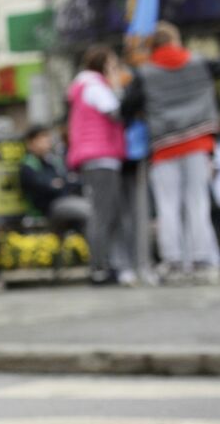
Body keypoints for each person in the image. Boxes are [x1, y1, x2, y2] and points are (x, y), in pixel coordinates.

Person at [122, 22, 220, 283]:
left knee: (168, 205)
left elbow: (127, 109)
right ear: (175, 40)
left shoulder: (144, 73)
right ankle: (201, 260)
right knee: (198, 201)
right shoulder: (200, 63)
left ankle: (173, 261)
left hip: (164, 146)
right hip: (198, 142)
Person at [67, 45, 134, 285]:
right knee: (104, 214)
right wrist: (117, 83)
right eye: (113, 64)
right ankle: (100, 267)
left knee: (104, 212)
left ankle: (105, 264)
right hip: (102, 156)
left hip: (94, 157)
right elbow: (115, 111)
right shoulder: (95, 86)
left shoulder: (83, 86)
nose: (116, 69)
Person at [18, 125, 91, 239]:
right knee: (88, 211)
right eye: (41, 138)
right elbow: (46, 186)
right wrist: (61, 183)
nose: (46, 142)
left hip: (64, 201)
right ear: (30, 143)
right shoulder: (28, 165)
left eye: (47, 137)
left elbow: (70, 181)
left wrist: (61, 183)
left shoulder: (51, 161)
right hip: (48, 209)